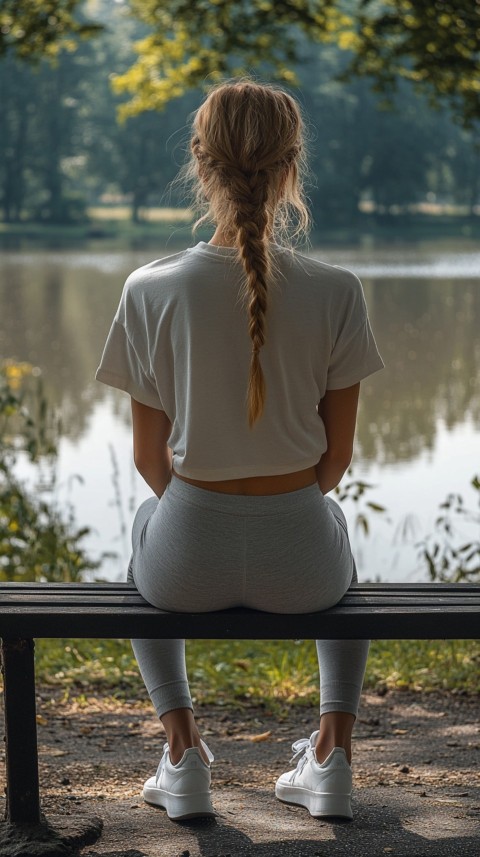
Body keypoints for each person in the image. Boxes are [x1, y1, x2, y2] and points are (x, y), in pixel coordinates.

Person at [96, 80, 384, 823]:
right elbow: (335, 462)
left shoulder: (148, 288)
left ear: (201, 162)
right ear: (292, 167)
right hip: (305, 564)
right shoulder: (338, 289)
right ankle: (333, 758)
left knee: (138, 526)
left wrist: (209, 511)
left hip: (186, 555)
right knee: (341, 526)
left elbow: (149, 462)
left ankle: (184, 753)